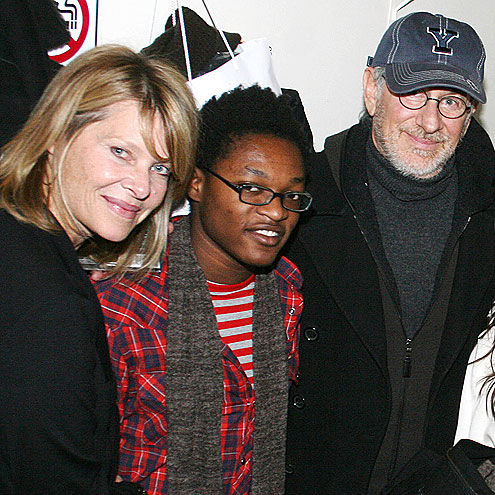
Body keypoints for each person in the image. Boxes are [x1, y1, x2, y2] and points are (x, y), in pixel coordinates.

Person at [284, 11, 495, 495]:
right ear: (372, 89)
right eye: (413, 92)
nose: (430, 121)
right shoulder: (301, 201)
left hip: (433, 482)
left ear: (469, 115)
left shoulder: (488, 215)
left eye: (451, 101)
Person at [0, 44, 198, 494]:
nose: (142, 187)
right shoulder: (46, 299)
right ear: (56, 134)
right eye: (120, 151)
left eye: (161, 168)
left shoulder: (25, 248)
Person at [95, 85, 311, 494]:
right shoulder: (123, 302)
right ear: (196, 183)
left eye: (290, 195)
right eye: (251, 188)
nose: (276, 211)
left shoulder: (287, 290)